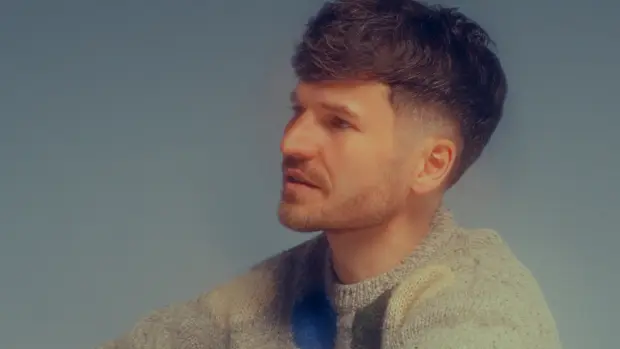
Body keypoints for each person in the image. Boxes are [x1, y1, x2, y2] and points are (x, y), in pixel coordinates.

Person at [99, 0, 562, 348]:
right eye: (298, 111)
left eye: (339, 122)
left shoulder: (483, 314)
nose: (291, 143)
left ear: (430, 165)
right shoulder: (275, 290)